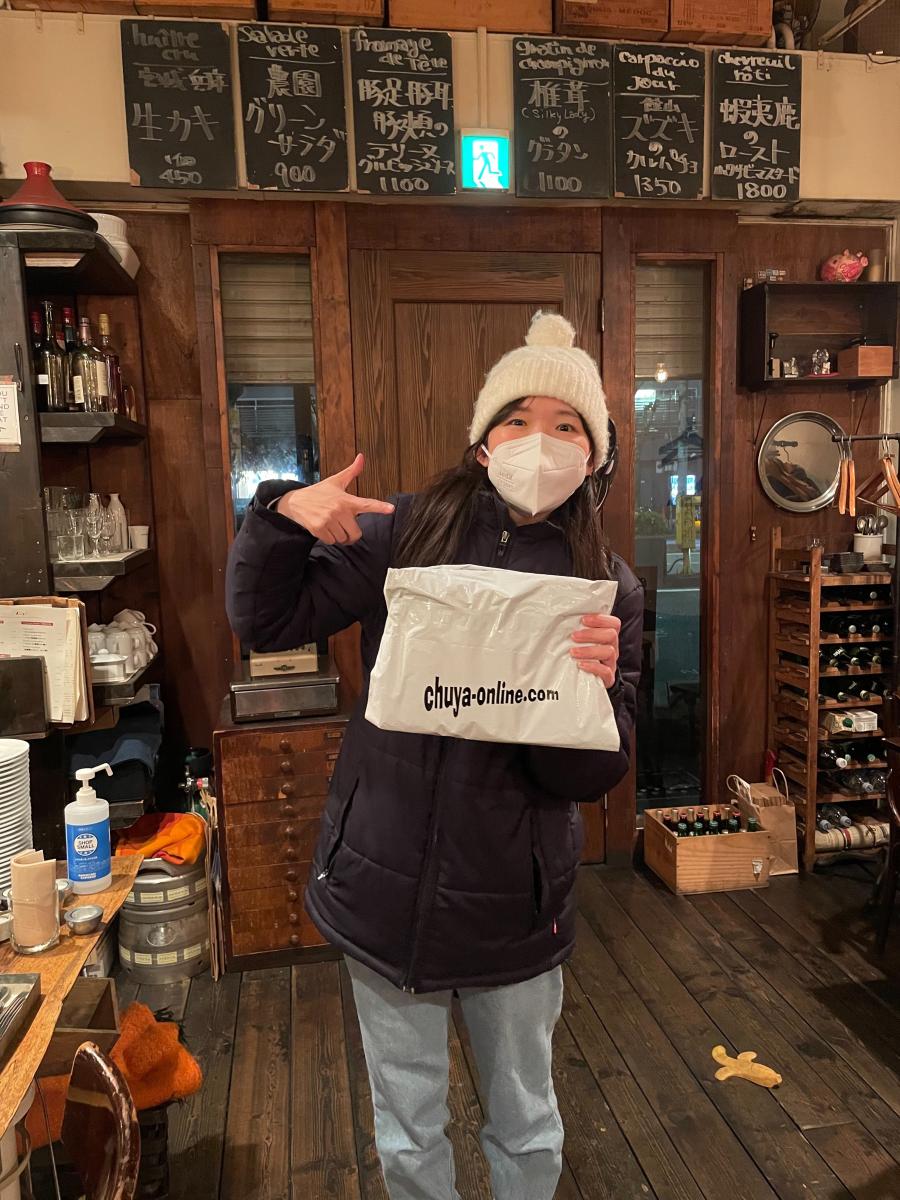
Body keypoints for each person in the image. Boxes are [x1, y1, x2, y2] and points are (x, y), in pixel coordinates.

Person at [226, 311, 643, 1200]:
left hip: (514, 905)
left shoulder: (608, 588)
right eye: (517, 420)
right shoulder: (403, 532)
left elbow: (589, 778)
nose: (540, 442)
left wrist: (591, 697)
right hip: (382, 887)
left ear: (594, 457)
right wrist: (280, 513)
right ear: (484, 442)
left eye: (567, 426)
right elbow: (265, 619)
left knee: (525, 1121)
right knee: (408, 1129)